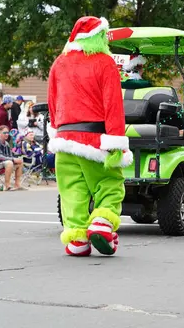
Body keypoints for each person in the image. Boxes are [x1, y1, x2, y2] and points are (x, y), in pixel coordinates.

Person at [48, 16, 132, 257]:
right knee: (109, 184)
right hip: (94, 139)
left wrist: (56, 130)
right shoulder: (104, 62)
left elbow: (53, 103)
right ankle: (102, 224)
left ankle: (76, 240)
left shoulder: (59, 63)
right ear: (98, 37)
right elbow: (113, 105)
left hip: (64, 140)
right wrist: (116, 141)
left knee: (72, 190)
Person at [0, 125, 25, 190]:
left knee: (20, 161)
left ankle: (17, 184)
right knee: (9, 163)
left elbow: (10, 155)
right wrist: (12, 159)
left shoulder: (6, 143)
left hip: (3, 163)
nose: (7, 134)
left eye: (8, 133)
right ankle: (7, 186)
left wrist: (15, 159)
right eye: (4, 133)